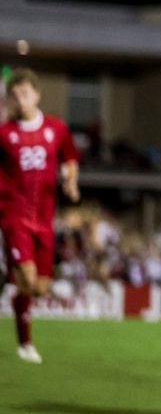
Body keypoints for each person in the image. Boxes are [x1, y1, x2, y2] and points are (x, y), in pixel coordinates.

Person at [0, 68, 80, 364]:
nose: (20, 100)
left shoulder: (56, 128)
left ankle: (7, 281)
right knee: (28, 279)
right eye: (14, 95)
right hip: (14, 214)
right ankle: (25, 343)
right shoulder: (4, 134)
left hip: (45, 219)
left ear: (37, 94)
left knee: (40, 287)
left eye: (25, 93)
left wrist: (71, 181)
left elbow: (70, 157)